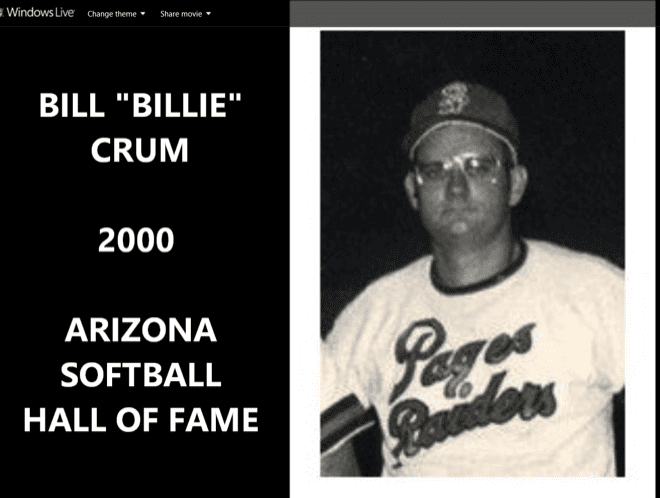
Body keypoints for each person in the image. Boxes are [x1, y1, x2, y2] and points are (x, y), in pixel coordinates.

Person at [320, 81, 624, 477]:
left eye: (479, 167)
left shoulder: (594, 291)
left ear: (515, 184)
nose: (457, 187)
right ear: (414, 191)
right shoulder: (373, 313)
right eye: (435, 170)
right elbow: (321, 445)